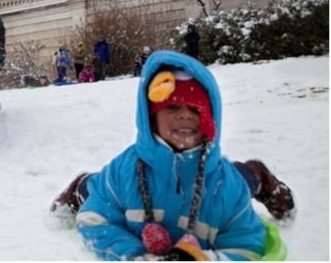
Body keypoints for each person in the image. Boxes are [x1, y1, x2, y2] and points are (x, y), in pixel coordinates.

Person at [50, 51, 295, 260]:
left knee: (242, 179)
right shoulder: (123, 172)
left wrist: (203, 259)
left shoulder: (228, 185)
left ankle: (257, 172)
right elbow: (95, 220)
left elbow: (247, 245)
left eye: (195, 110)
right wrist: (137, 256)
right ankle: (80, 182)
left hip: (216, 176)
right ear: (151, 121)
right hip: (121, 183)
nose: (185, 116)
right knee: (93, 187)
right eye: (172, 107)